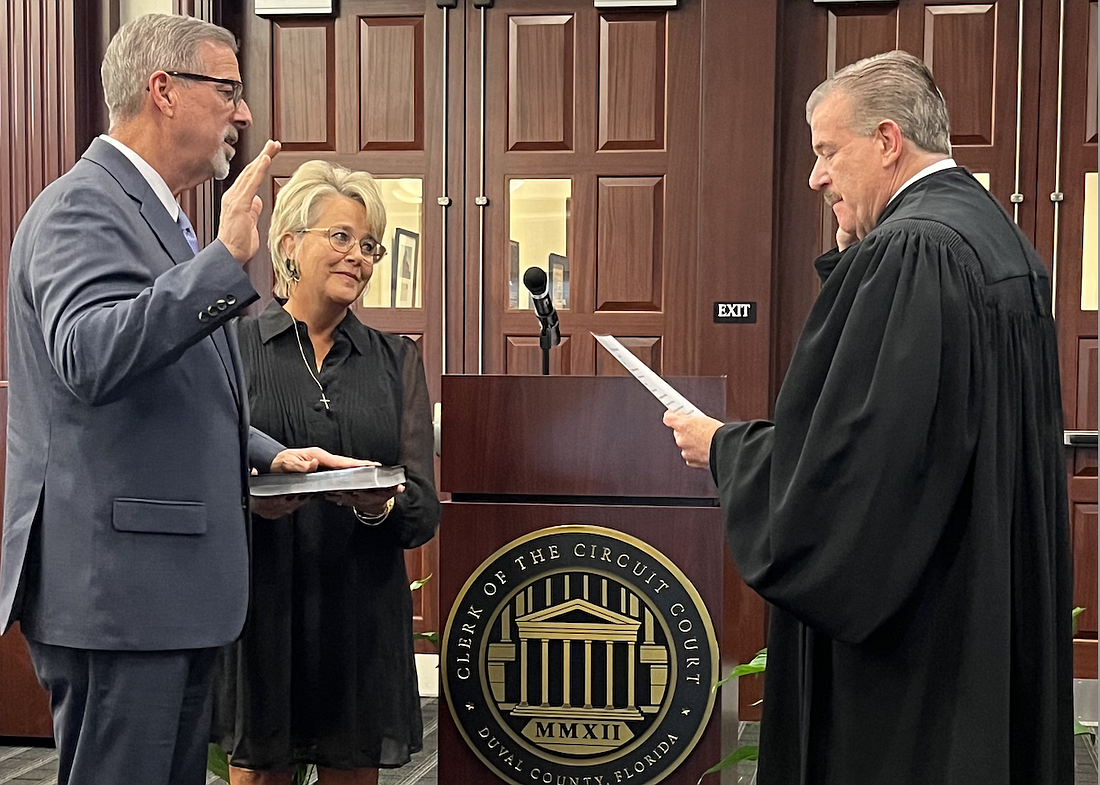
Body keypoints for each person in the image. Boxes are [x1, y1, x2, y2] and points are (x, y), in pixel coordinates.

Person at [665, 50, 1072, 784]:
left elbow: (853, 476)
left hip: (914, 646)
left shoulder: (914, 251)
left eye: (827, 151)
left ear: (887, 142)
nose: (817, 176)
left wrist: (726, 448)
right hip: (984, 607)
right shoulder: (1000, 242)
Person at [0, 14, 365, 785]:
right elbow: (90, 357)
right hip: (121, 592)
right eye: (227, 89)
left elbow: (180, 390)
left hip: (165, 591)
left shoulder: (167, 220)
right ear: (162, 90)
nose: (244, 113)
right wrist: (226, 262)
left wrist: (268, 457)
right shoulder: (83, 207)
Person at [213, 160, 441, 785]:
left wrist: (372, 503)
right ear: (290, 245)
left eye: (369, 245)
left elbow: (421, 508)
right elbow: (203, 481)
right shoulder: (232, 349)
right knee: (261, 776)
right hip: (262, 611)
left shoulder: (396, 361)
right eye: (340, 237)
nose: (359, 257)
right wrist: (250, 502)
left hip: (360, 611)